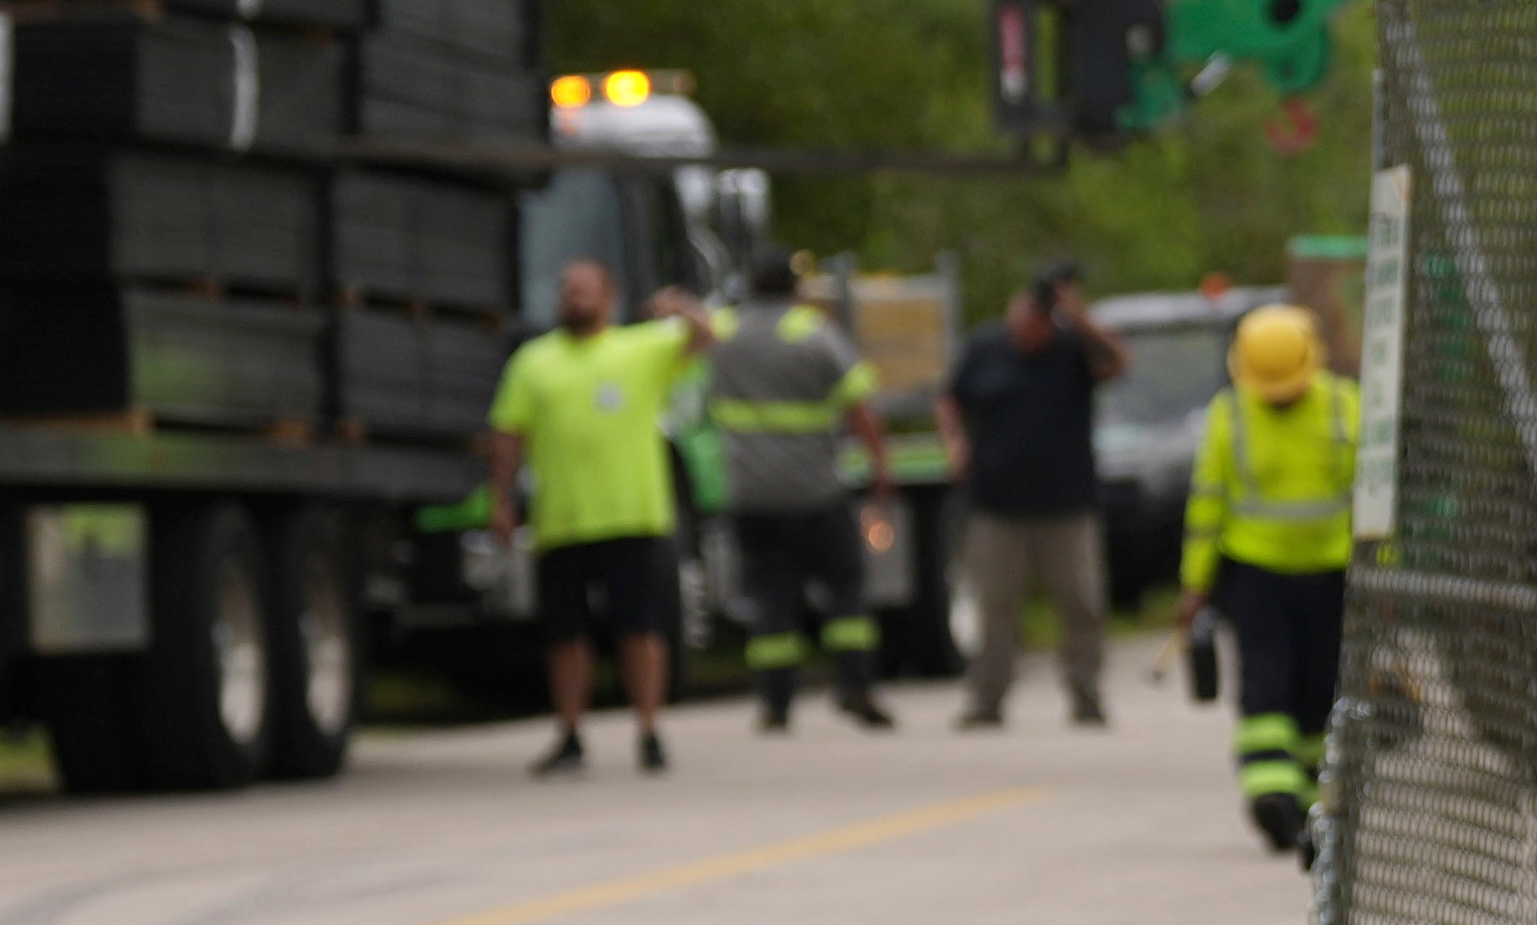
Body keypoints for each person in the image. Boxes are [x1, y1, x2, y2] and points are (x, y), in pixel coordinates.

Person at [481, 257, 719, 777]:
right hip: (562, 521)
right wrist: (500, 498)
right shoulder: (533, 361)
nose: (576, 298)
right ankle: (570, 733)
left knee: (639, 630)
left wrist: (677, 305)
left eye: (586, 290)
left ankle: (650, 730)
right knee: (566, 637)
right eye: (568, 290)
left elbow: (708, 336)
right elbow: (507, 433)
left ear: (608, 297)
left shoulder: (641, 347)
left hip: (633, 517)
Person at [1182, 298, 1359, 852]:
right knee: (1312, 686)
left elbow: (1206, 507)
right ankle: (1295, 796)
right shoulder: (1346, 408)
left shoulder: (1230, 414)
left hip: (1260, 576)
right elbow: (1378, 502)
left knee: (1272, 684)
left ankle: (1283, 796)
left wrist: (1195, 585)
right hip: (1322, 575)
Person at [703, 250, 896, 735]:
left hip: (751, 494)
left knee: (770, 598)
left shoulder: (725, 333)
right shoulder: (814, 333)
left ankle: (775, 702)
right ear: (795, 289)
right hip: (816, 491)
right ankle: (854, 685)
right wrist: (880, 467)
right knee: (845, 589)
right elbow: (860, 406)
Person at [940, 261, 1122, 730]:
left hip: (1067, 504)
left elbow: (1117, 362)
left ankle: (1086, 695)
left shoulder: (1071, 350)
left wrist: (1076, 316)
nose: (1025, 334)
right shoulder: (986, 348)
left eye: (1035, 326)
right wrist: (955, 442)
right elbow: (949, 397)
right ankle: (987, 699)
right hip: (998, 506)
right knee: (994, 606)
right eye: (1019, 324)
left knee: (1081, 603)